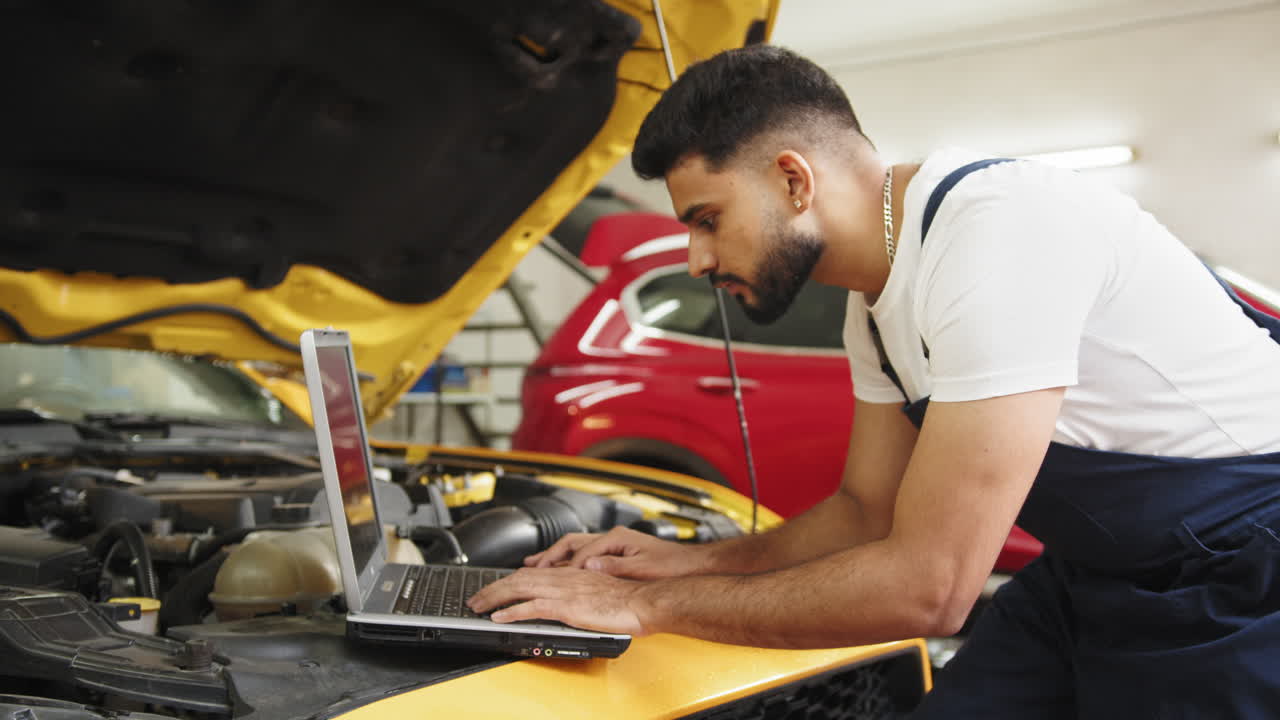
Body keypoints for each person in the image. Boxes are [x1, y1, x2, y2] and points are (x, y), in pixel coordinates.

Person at [469, 45, 1280, 716]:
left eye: (707, 218)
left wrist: (641, 609)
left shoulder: (998, 234)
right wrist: (681, 562)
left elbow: (932, 592)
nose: (698, 260)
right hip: (1101, 573)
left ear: (794, 180)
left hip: (1247, 580)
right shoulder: (876, 304)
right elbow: (865, 512)